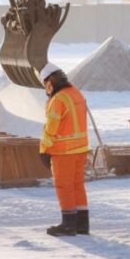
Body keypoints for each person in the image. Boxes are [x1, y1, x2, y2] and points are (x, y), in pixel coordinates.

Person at [38, 64, 90, 237]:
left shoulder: (58, 99)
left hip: (64, 151)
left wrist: (44, 149)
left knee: (64, 186)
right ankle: (82, 224)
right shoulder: (76, 93)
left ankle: (68, 225)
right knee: (77, 185)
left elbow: (51, 128)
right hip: (81, 148)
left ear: (49, 82)